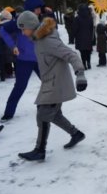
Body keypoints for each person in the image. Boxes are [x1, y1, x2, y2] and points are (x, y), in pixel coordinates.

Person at [16, 12, 87, 162]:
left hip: (56, 85)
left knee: (43, 115)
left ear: (30, 26)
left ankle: (39, 150)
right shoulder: (39, 39)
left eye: (23, 29)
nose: (22, 33)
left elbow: (71, 55)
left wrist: (80, 74)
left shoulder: (47, 40)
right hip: (49, 83)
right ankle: (76, 134)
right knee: (53, 114)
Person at [0, 3, 40, 122]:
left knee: (49, 83)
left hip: (40, 59)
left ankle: (47, 106)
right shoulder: (18, 24)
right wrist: (13, 46)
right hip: (24, 61)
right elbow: (3, 30)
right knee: (19, 86)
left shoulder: (39, 23)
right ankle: (8, 113)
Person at [73, 4, 94, 70]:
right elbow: (91, 27)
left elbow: (75, 28)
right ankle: (89, 62)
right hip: (88, 36)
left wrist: (74, 35)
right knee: (88, 51)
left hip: (80, 37)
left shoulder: (77, 18)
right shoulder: (90, 18)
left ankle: (84, 64)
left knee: (82, 52)